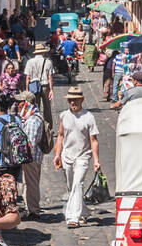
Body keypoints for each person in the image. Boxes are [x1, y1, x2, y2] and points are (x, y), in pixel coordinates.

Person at [55, 86, 100, 228]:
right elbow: (61, 135)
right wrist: (57, 154)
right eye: (70, 100)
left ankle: (72, 217)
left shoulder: (89, 117)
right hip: (67, 155)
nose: (73, 102)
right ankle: (84, 212)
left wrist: (96, 160)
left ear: (82, 100)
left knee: (77, 184)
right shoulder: (63, 115)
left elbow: (93, 140)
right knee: (71, 187)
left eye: (75, 100)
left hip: (83, 156)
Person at [25, 43, 55, 125]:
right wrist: (51, 89)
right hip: (45, 85)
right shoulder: (48, 62)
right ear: (43, 52)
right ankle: (48, 127)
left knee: (35, 107)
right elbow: (50, 77)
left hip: (33, 86)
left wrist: (27, 89)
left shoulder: (29, 62)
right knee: (47, 108)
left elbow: (28, 77)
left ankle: (36, 125)